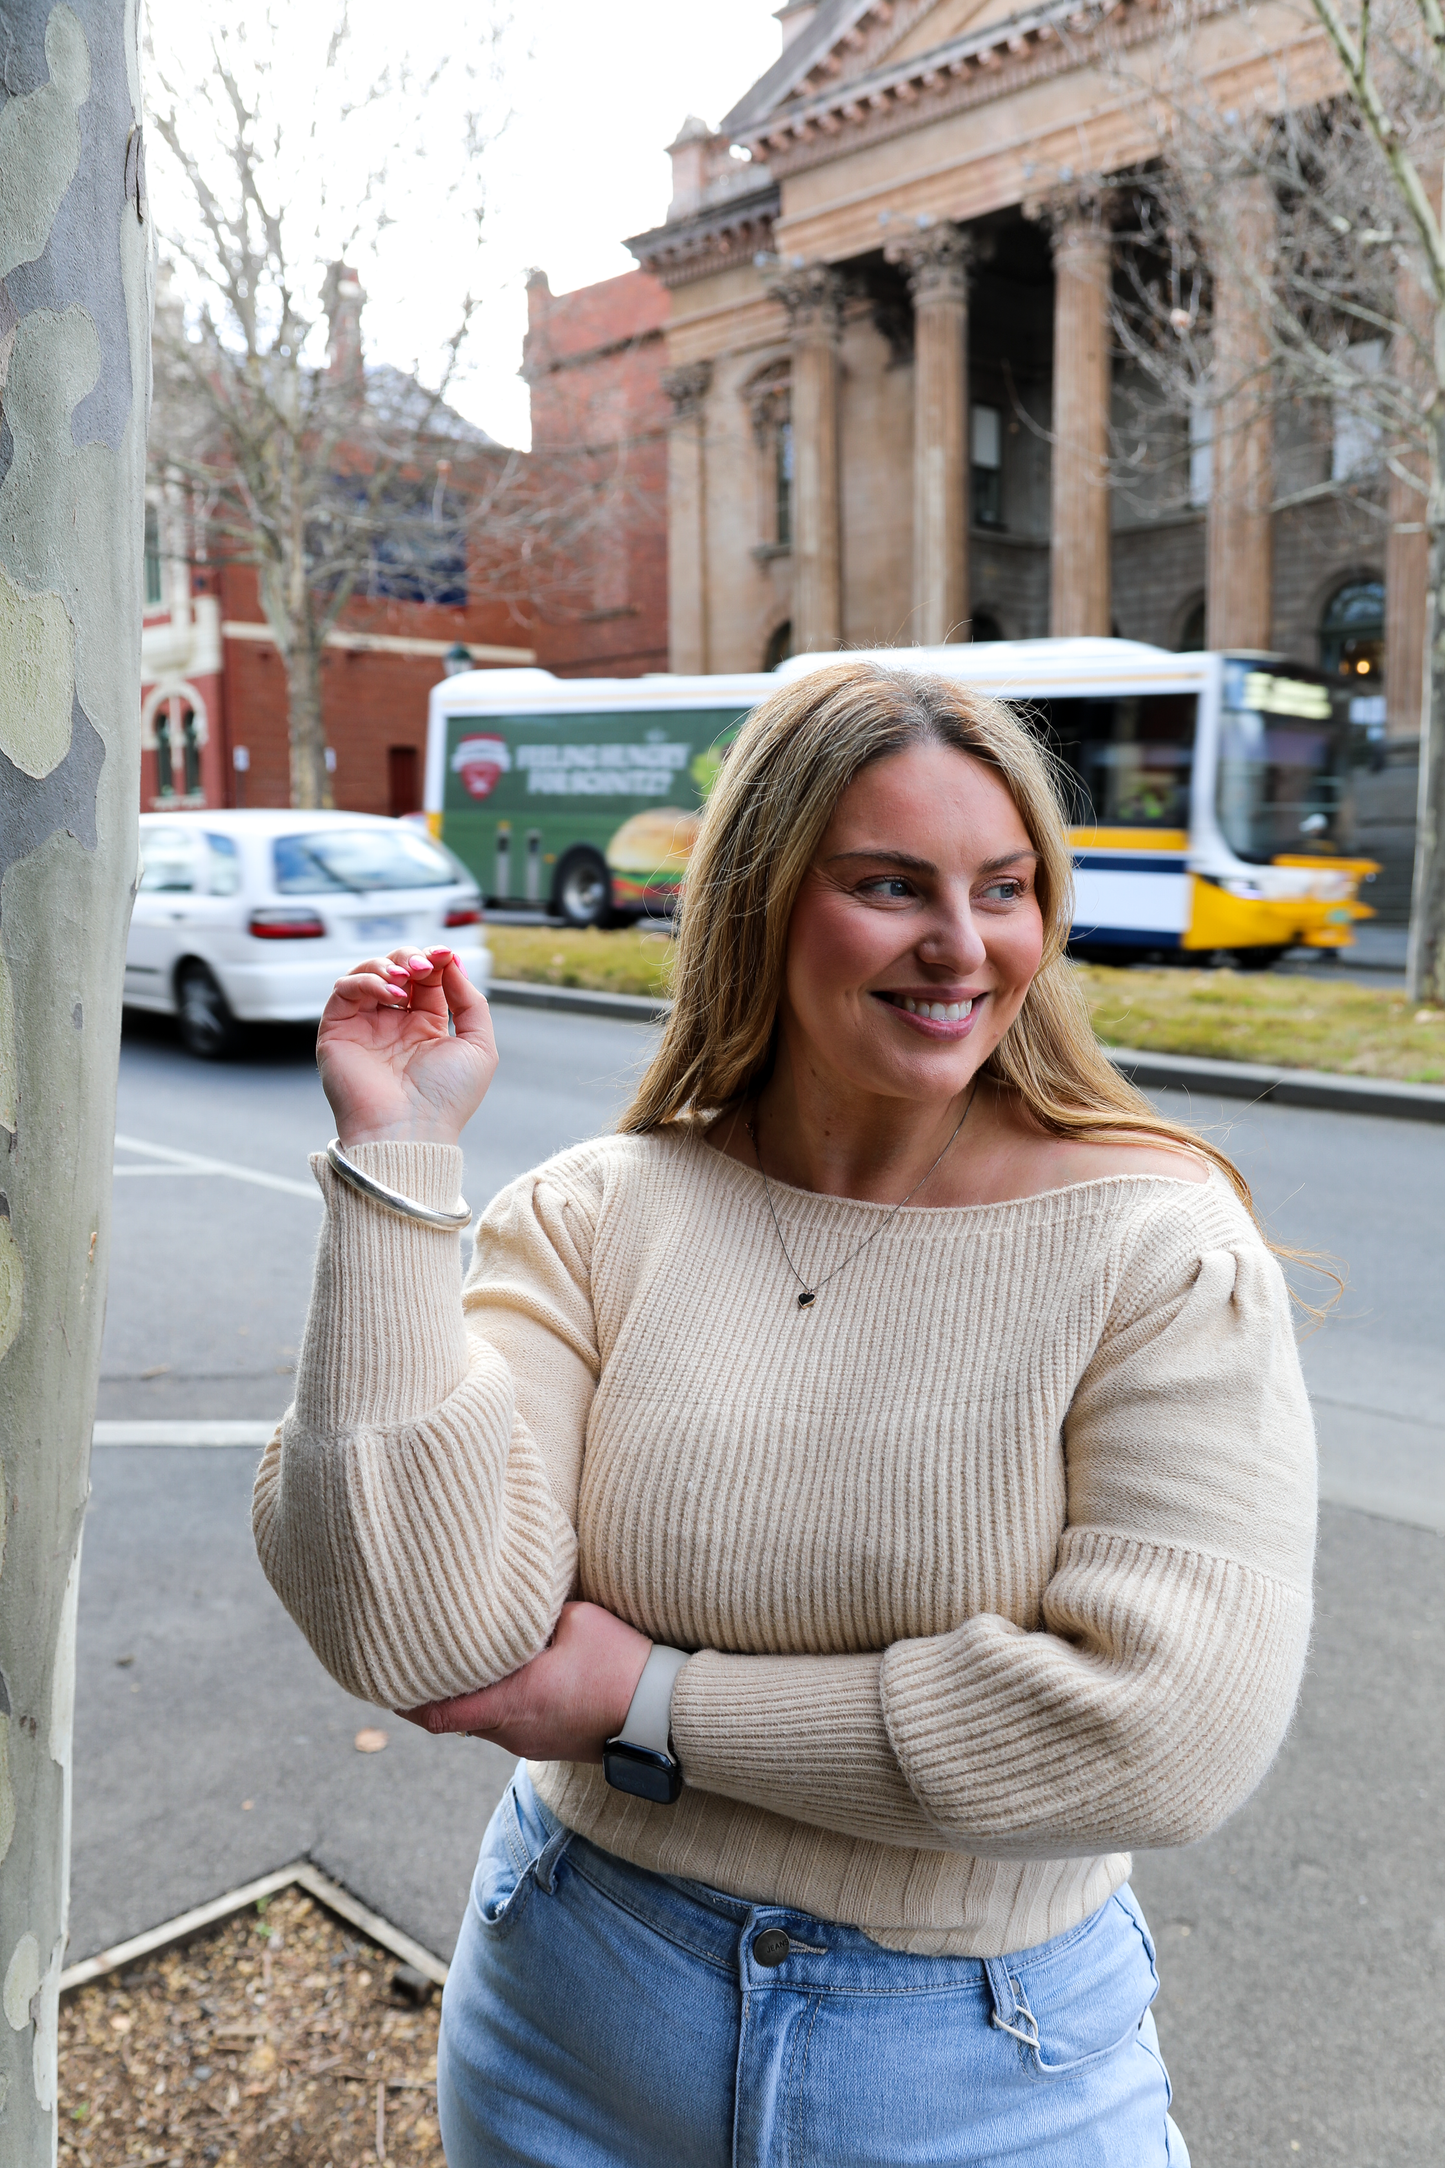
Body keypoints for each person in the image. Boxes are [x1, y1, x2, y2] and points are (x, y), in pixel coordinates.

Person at [253, 660, 1316, 2168]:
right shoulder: (599, 1213)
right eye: (893, 885)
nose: (963, 945)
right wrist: (398, 1167)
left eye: (1005, 887)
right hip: (569, 2014)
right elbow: (418, 1633)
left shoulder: (1160, 1245)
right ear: (763, 900)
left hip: (981, 2072)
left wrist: (646, 1702)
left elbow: (1163, 1736)